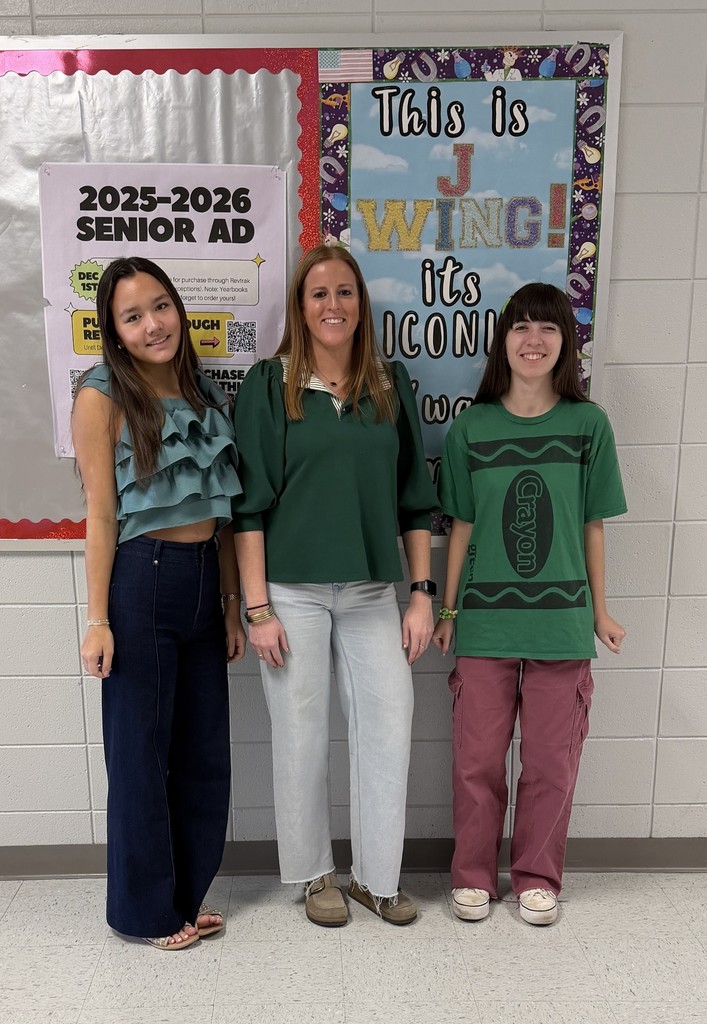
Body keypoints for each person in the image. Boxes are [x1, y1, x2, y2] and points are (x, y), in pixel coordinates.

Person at [232, 244, 438, 927]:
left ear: (361, 303)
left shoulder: (389, 382)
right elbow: (248, 507)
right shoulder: (270, 384)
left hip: (372, 592)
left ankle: (376, 879)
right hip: (290, 591)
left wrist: (421, 593)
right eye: (318, 293)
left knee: (389, 723)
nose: (332, 305)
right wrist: (256, 608)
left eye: (344, 292)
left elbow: (415, 500)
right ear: (299, 306)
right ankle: (315, 872)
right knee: (299, 732)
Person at [432, 283, 627, 926]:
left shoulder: (588, 425)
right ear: (503, 341)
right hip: (484, 624)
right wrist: (448, 611)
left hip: (562, 627)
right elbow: (460, 526)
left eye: (548, 328)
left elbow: (592, 525)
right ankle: (472, 877)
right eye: (521, 327)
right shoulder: (472, 427)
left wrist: (600, 612)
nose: (533, 340)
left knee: (550, 762)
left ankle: (538, 877)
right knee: (478, 762)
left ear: (566, 343)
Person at [72, 256, 246, 949]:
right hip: (142, 579)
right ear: (114, 331)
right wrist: (96, 620)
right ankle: (144, 913)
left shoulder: (204, 392)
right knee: (141, 754)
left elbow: (222, 513)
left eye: (160, 306)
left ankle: (184, 896)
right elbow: (99, 513)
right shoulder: (102, 395)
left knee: (204, 753)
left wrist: (230, 603)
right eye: (132, 316)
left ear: (178, 307)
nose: (152, 325)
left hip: (204, 580)